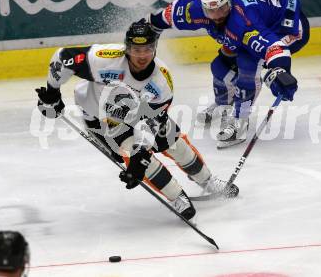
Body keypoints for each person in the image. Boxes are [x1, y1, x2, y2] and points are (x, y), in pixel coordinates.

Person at [35, 19, 239, 221]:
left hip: (142, 117)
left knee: (174, 145)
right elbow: (62, 58)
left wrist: (141, 152)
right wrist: (52, 92)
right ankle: (177, 196)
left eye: (147, 49)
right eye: (136, 49)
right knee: (140, 160)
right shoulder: (104, 59)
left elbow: (150, 124)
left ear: (154, 48)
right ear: (127, 48)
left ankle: (208, 181)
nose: (142, 56)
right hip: (102, 118)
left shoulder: (161, 82)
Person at [148, 0, 309, 148]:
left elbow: (275, 48)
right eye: (211, 11)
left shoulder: (244, 23)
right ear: (203, 8)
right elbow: (166, 15)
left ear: (229, 3)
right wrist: (150, 27)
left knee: (247, 67)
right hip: (260, 21)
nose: (217, 16)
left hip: (286, 29)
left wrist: (280, 71)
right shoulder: (194, 9)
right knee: (220, 67)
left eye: (222, 9)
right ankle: (224, 103)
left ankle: (240, 122)